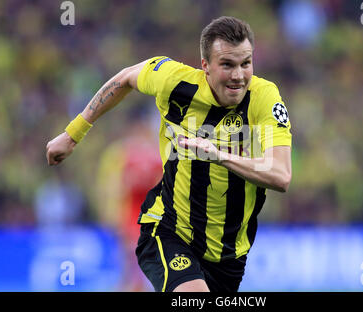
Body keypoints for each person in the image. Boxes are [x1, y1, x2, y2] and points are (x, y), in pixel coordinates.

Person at [46, 16, 292, 292]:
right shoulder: (173, 81)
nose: (238, 75)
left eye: (245, 63)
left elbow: (281, 175)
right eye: (227, 65)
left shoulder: (264, 97)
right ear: (205, 66)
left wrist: (218, 155)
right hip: (168, 230)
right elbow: (126, 78)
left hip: (228, 253)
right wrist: (73, 134)